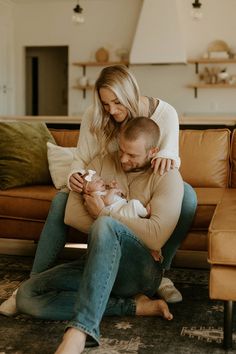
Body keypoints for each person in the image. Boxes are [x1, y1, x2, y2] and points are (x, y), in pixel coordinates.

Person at [0, 64, 197, 316]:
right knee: (63, 202)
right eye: (106, 104)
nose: (111, 111)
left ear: (131, 95)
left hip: (146, 187)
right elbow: (82, 160)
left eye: (117, 103)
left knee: (187, 196)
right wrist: (76, 178)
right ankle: (33, 280)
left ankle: (160, 272)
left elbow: (170, 160)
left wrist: (168, 154)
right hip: (109, 185)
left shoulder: (165, 114)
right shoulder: (96, 116)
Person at [16, 117, 184, 354]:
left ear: (153, 151)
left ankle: (79, 332)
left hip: (141, 272)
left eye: (133, 155)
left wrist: (103, 213)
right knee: (27, 295)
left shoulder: (167, 176)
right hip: (97, 262)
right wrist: (122, 221)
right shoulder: (102, 162)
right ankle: (133, 307)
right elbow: (71, 214)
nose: (123, 159)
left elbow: (155, 237)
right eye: (122, 150)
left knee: (105, 224)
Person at [81, 169, 149, 218]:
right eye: (96, 181)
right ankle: (146, 213)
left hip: (124, 208)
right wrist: (112, 190)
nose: (101, 181)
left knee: (133, 204)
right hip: (120, 214)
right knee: (134, 203)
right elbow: (107, 202)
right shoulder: (95, 195)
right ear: (88, 190)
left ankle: (142, 215)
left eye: (100, 179)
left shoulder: (104, 191)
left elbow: (117, 197)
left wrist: (115, 189)